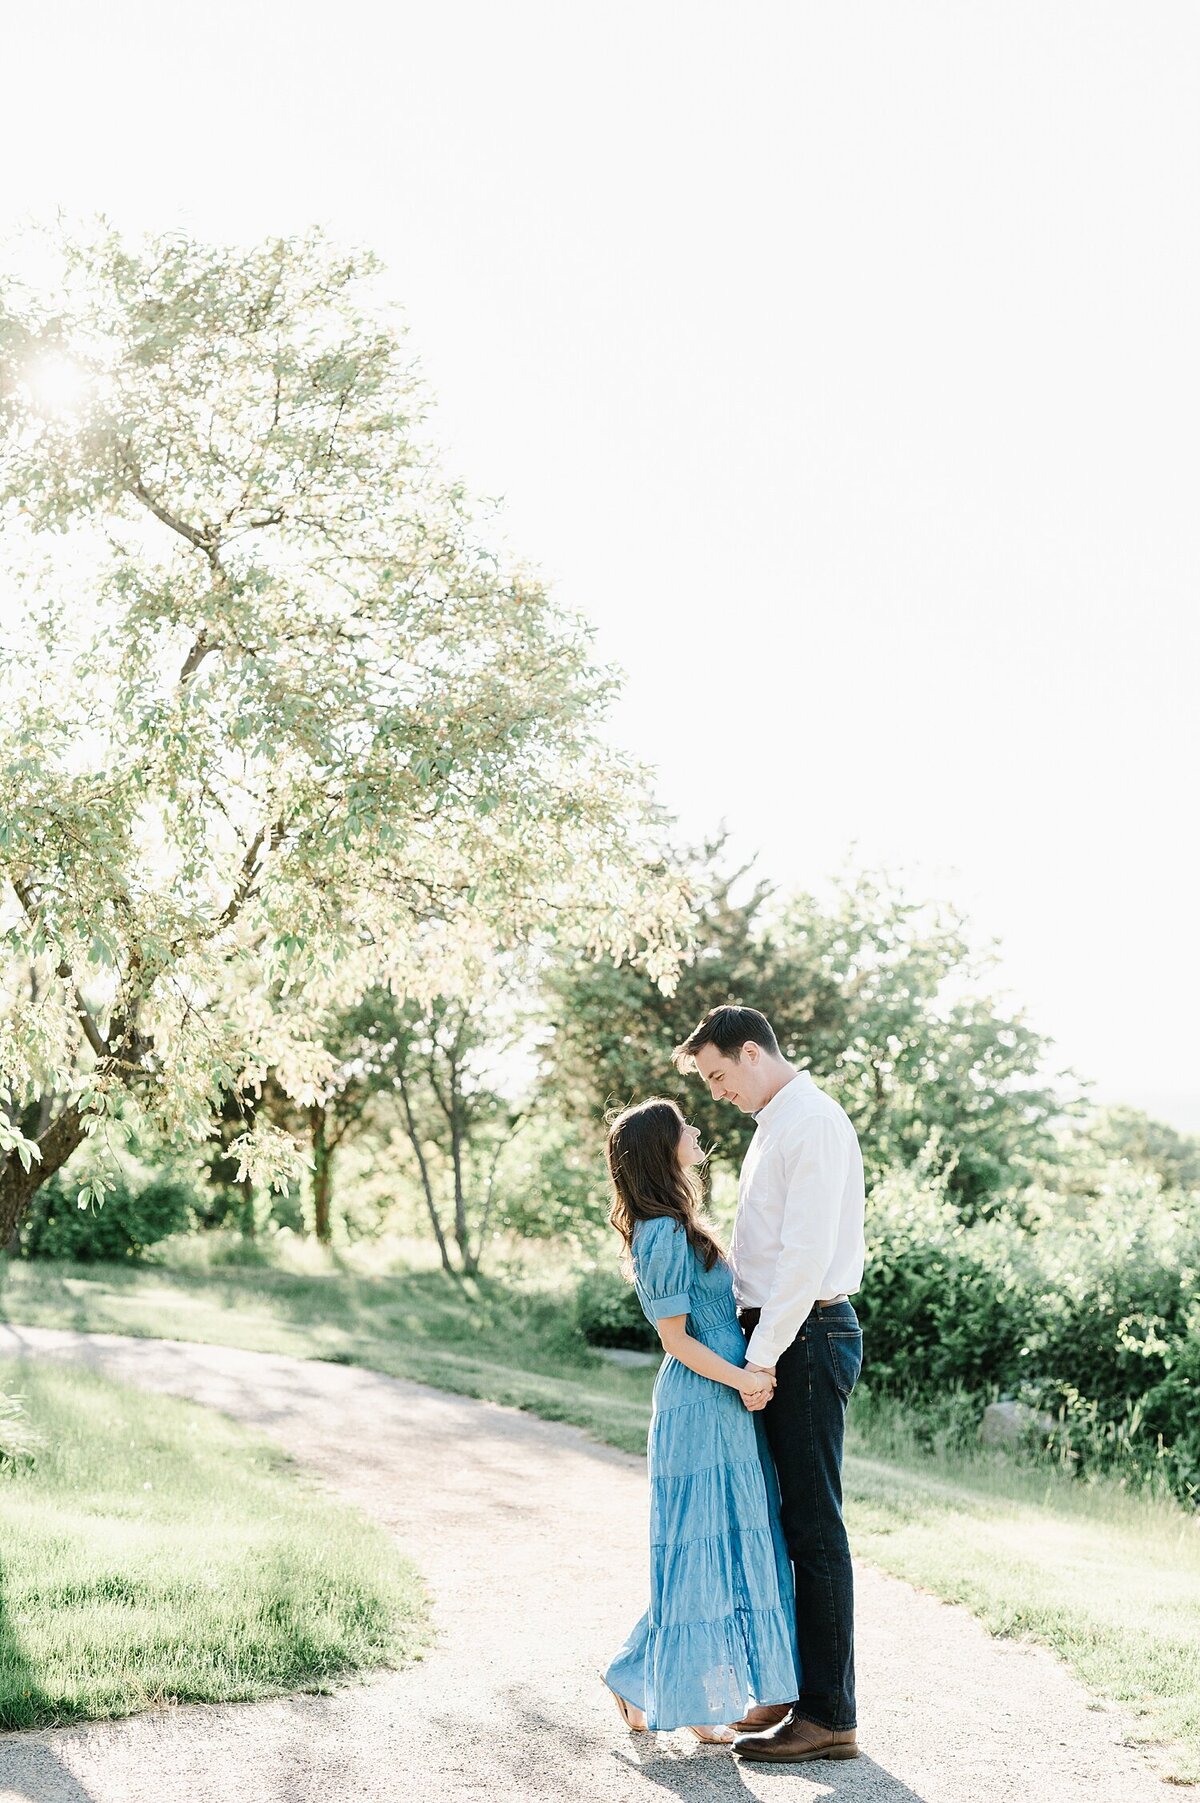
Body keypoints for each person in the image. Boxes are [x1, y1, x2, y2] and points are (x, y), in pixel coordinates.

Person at [673, 1004, 866, 1766]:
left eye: (719, 1074)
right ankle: (788, 1686)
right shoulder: (776, 1124)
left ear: (753, 1052)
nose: (717, 1091)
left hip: (805, 1336)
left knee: (814, 1524)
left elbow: (804, 1256)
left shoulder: (810, 1122)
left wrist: (763, 1355)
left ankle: (829, 1713)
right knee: (778, 1517)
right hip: (781, 1335)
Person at [602, 1097, 801, 1742]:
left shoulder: (681, 1223)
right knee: (699, 1547)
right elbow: (676, 1340)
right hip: (698, 1403)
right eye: (683, 1128)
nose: (695, 1132)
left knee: (729, 1546)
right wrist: (745, 1376)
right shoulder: (658, 1234)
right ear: (663, 1151)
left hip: (726, 1404)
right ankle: (665, 1690)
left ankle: (651, 1684)